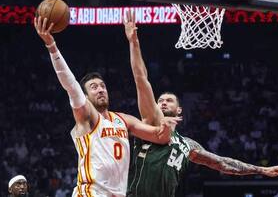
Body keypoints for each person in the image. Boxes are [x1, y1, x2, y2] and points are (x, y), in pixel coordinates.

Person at [123, 10, 278, 197]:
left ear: (179, 110)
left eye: (168, 100)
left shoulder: (187, 145)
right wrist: (134, 42)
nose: (162, 103)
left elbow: (222, 163)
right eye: (160, 100)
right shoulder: (152, 120)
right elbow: (141, 79)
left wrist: (261, 170)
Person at [34, 16, 181, 197]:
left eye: (103, 86)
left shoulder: (123, 120)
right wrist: (52, 46)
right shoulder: (87, 117)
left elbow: (159, 137)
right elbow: (71, 85)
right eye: (94, 88)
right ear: (86, 97)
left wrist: (166, 126)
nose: (101, 90)